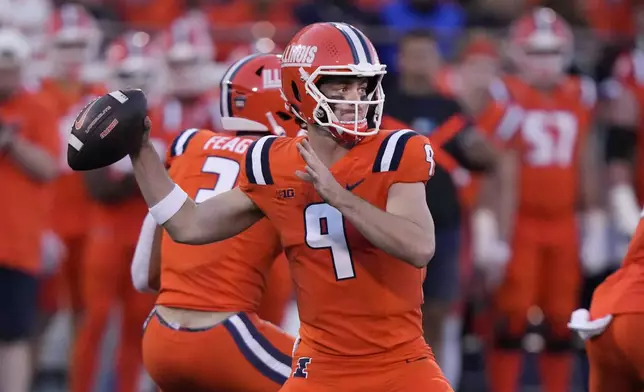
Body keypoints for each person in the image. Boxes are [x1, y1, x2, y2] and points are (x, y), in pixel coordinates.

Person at [124, 22, 451, 391]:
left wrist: (341, 197)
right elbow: (189, 226)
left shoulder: (397, 150)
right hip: (319, 367)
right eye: (341, 85)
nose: (356, 98)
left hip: (401, 362)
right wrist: (141, 151)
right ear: (300, 89)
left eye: (362, 85)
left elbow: (419, 246)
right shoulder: (273, 162)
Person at [133, 53, 298, 391]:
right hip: (225, 337)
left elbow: (143, 276)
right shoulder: (283, 161)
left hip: (159, 335)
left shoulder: (188, 144)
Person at [481, 8, 607, 392]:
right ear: (518, 53)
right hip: (520, 220)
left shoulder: (580, 95)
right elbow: (496, 165)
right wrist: (494, 230)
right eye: (535, 51)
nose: (545, 60)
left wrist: (594, 218)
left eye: (552, 51)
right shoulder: (505, 93)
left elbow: (588, 158)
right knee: (511, 317)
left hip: (564, 220)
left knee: (561, 319)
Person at [381, 29, 496, 386]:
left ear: (438, 61)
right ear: (400, 60)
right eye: (413, 55)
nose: (420, 63)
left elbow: (483, 159)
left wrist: (480, 149)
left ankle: (426, 381)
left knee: (437, 310)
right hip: (390, 225)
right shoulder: (383, 105)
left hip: (443, 225)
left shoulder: (452, 108)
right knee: (387, 310)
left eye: (427, 55)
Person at [0, 27, 60, 392]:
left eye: (10, 68)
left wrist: (11, 142)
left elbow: (48, 166)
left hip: (18, 244)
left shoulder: (37, 108)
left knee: (15, 334)